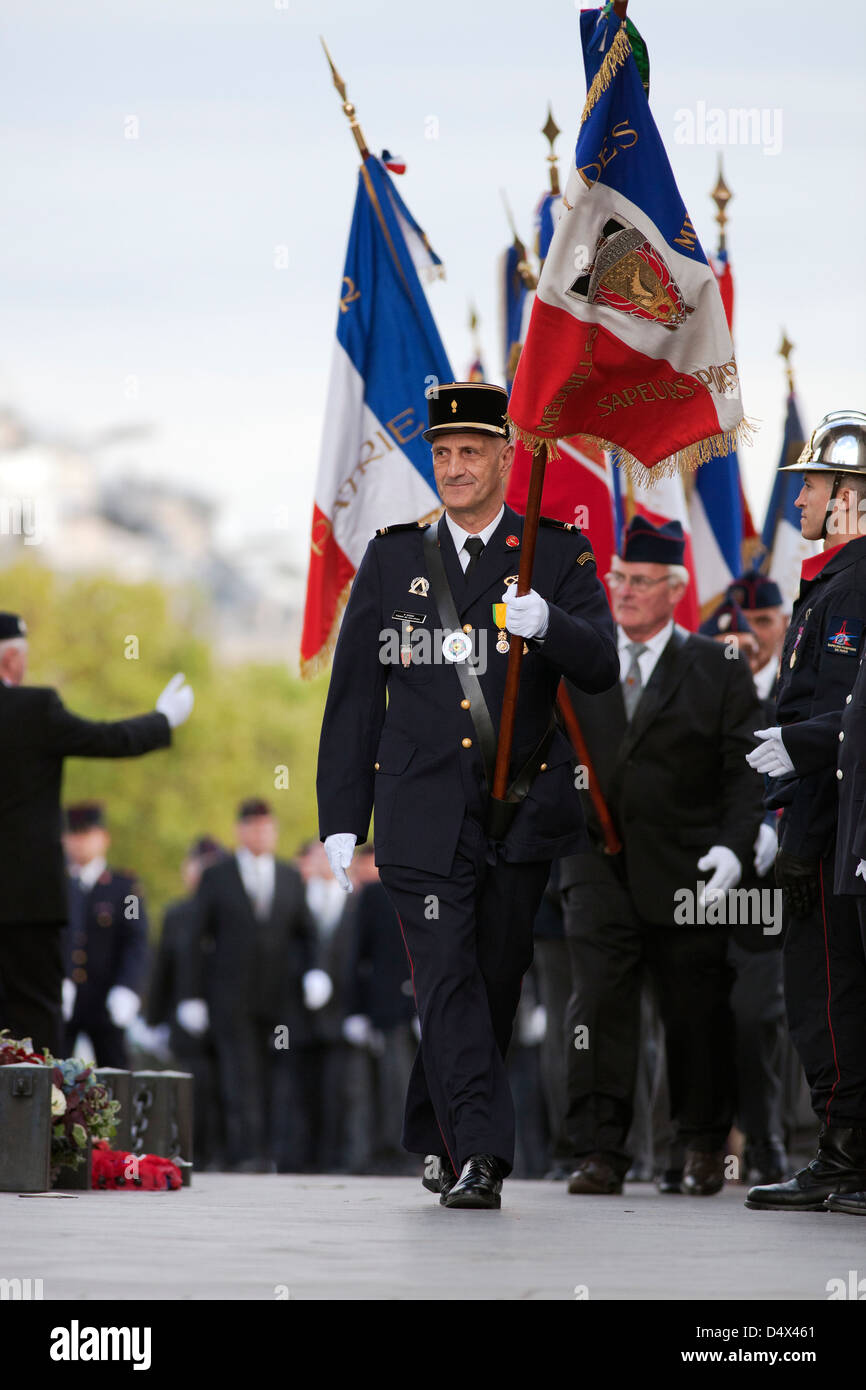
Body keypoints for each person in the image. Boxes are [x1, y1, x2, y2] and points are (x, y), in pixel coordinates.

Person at [317, 380, 618, 1210]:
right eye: (442, 454)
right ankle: (483, 1155)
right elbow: (353, 698)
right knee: (444, 976)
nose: (453, 467)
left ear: (505, 458)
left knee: (490, 979)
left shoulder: (553, 553)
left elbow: (601, 665)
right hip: (419, 814)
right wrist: (342, 820)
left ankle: (436, 1128)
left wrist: (548, 623)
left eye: (470, 453)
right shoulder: (392, 557)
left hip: (518, 811)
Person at [559, 516, 764, 1198]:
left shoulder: (716, 665)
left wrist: (735, 852)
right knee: (597, 1006)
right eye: (617, 578)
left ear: (675, 589)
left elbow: (745, 770)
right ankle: (598, 1149)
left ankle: (702, 1145)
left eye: (640, 581)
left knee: (695, 1008)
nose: (622, 591)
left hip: (690, 870)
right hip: (596, 863)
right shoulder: (581, 660)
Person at [744, 411, 866, 1211]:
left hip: (834, 818)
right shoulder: (834, 577)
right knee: (818, 995)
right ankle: (840, 1148)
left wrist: (802, 750)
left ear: (851, 494)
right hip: (814, 813)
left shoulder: (858, 580)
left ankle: (849, 1151)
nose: (800, 499)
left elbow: (852, 706)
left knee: (830, 997)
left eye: (815, 485)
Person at [0, 610, 193, 1055]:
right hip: (27, 902)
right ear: (12, 660)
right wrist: (162, 719)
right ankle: (39, 1125)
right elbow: (106, 738)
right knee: (34, 1028)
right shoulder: (33, 709)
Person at [177, 798, 331, 1172]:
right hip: (231, 999)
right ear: (240, 831)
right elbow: (195, 939)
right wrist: (191, 995)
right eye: (254, 827)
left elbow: (307, 933)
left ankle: (271, 1151)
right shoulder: (218, 876)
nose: (262, 834)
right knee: (238, 1075)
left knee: (277, 1077)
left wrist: (315, 972)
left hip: (279, 999)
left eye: (268, 827)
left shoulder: (290, 877)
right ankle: (243, 1151)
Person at [700, 593, 790, 1184]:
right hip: (703, 883)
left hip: (765, 892)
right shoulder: (699, 698)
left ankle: (767, 1140)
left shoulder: (792, 690)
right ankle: (697, 1147)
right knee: (699, 1018)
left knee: (759, 1017)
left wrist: (771, 824)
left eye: (760, 627)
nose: (746, 643)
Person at [148, 834, 227, 1169]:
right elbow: (163, 968)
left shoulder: (233, 913)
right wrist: (154, 1020)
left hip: (225, 1017)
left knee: (228, 1088)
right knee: (191, 1089)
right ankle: (190, 1153)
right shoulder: (177, 914)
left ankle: (224, 1154)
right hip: (185, 1017)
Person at [61, 802, 149, 1066]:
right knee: (53, 1076)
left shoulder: (126, 888)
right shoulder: (57, 887)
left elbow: (136, 940)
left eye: (87, 834)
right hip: (63, 1000)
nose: (80, 842)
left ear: (104, 838)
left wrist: (128, 987)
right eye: (74, 834)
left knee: (116, 1076)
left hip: (107, 998)